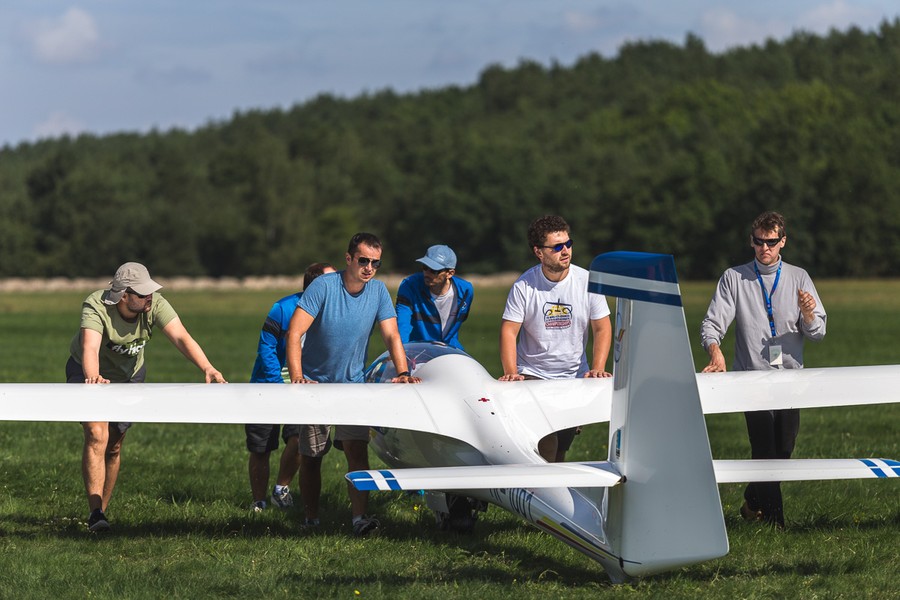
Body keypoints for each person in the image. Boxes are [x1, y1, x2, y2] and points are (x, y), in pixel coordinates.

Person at [67, 262, 226, 533]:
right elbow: (90, 347)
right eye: (141, 294)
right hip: (88, 371)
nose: (148, 297)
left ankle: (101, 513)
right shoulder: (95, 305)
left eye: (149, 291)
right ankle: (95, 514)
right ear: (122, 295)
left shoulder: (156, 305)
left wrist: (208, 368)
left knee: (114, 444)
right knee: (96, 434)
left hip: (131, 376)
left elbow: (181, 338)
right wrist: (93, 377)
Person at [286, 232, 420, 536]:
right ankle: (310, 519)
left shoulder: (379, 292)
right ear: (349, 259)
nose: (369, 267)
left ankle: (359, 519)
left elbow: (392, 335)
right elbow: (294, 333)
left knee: (357, 452)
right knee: (312, 457)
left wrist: (402, 371)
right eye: (363, 260)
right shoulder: (323, 286)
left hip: (354, 386)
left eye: (375, 262)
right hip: (316, 385)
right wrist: (297, 378)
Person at [700, 211, 826, 528]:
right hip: (751, 379)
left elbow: (818, 332)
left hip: (790, 380)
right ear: (751, 241)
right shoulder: (734, 278)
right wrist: (715, 352)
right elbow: (712, 324)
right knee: (764, 448)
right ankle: (775, 523)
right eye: (759, 242)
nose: (764, 248)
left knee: (783, 450)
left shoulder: (799, 277)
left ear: (783, 241)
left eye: (771, 242)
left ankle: (753, 499)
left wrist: (809, 314)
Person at [498, 215, 613, 462]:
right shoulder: (524, 286)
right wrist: (511, 372)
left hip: (573, 376)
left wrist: (598, 368)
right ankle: (534, 492)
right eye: (557, 247)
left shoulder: (588, 280)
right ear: (539, 252)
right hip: (533, 374)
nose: (566, 251)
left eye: (568, 244)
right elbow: (509, 331)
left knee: (560, 449)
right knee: (545, 443)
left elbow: (602, 328)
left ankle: (551, 494)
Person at [246, 262, 335, 512]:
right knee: (262, 447)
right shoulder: (282, 308)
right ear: (317, 286)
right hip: (268, 384)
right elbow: (266, 348)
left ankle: (281, 488)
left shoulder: (333, 313)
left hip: (304, 386)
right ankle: (258, 502)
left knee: (298, 439)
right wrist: (277, 384)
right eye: (333, 280)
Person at [395, 244, 473, 350]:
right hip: (416, 351)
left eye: (434, 270)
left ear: (450, 273)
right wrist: (401, 351)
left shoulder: (466, 291)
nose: (427, 273)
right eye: (425, 267)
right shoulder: (409, 285)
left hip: (451, 349)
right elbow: (402, 324)